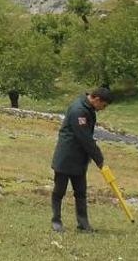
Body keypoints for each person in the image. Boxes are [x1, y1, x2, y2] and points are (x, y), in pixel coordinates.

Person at [49, 87, 112, 232]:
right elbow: (84, 138)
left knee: (81, 192)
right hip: (66, 157)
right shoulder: (79, 110)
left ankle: (83, 224)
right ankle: (56, 221)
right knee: (59, 191)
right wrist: (99, 159)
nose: (103, 109)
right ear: (96, 99)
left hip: (80, 159)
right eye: (104, 105)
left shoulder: (88, 108)